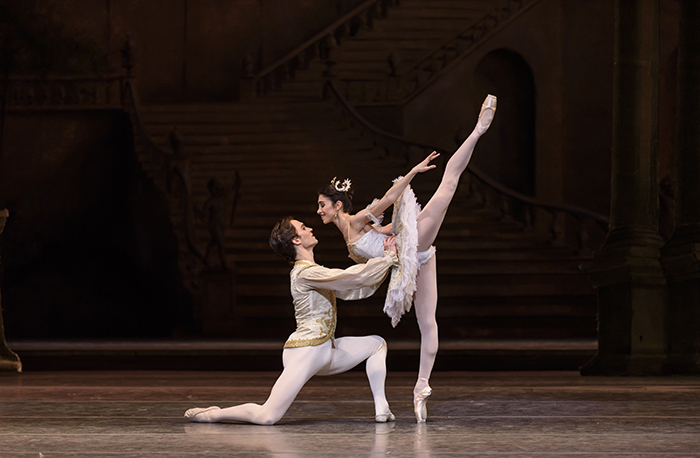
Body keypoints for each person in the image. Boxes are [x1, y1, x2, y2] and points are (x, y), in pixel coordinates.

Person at [316, 95, 497, 422]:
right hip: (416, 259)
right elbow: (381, 242)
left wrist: (413, 171)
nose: (319, 212)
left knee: (447, 187)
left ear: (337, 206)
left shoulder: (355, 220)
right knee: (427, 323)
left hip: (411, 243)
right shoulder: (349, 241)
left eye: (322, 206)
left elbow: (388, 199)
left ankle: (478, 131)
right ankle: (420, 389)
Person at [184, 217, 399, 425]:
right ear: (296, 240)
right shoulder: (305, 274)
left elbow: (355, 287)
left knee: (377, 344)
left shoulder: (315, 273)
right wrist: (387, 259)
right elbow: (353, 278)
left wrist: (387, 261)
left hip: (325, 350)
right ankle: (212, 415)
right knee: (267, 416)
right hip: (306, 351)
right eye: (303, 227)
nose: (309, 229)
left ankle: (382, 409)